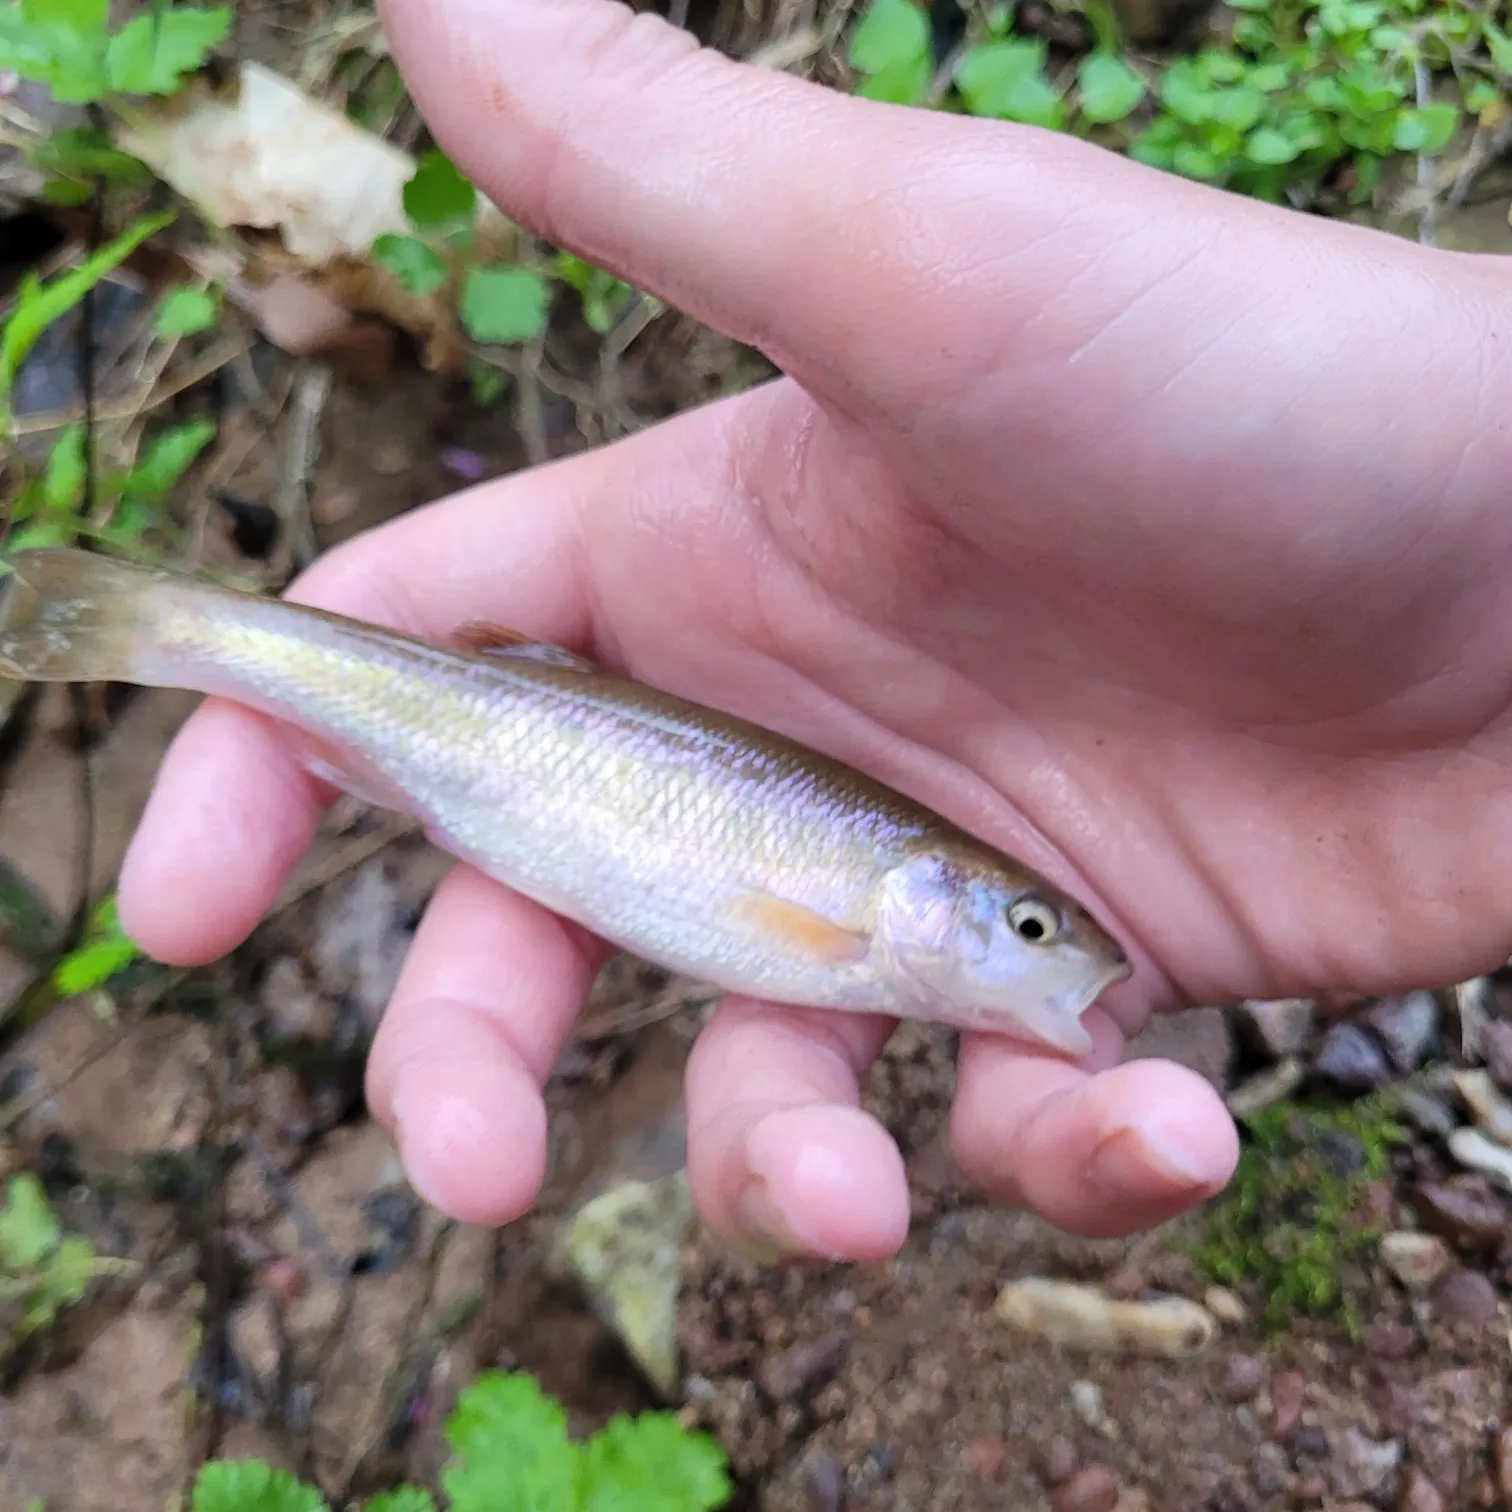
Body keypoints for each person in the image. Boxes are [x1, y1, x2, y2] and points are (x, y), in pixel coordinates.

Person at [117, 0, 1512, 1265]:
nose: (1049, 952)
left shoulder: (870, 926)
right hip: (497, 736)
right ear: (946, 903)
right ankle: (171, 627)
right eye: (1025, 922)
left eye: (1032, 925)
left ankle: (172, 625)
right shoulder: (853, 920)